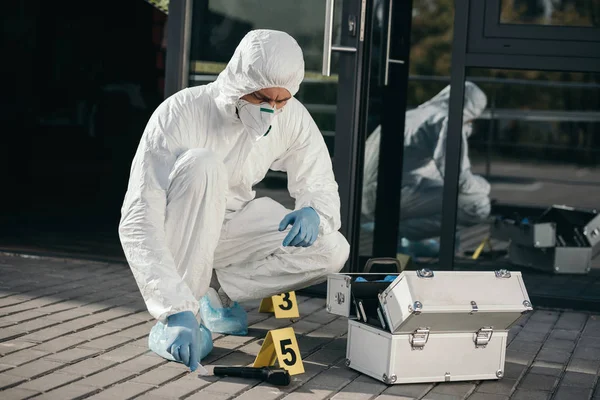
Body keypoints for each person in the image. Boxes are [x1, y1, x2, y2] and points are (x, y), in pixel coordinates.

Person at [118, 29, 350, 372]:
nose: (272, 111)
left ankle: (215, 294)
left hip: (233, 227)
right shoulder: (181, 112)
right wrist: (171, 305)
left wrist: (314, 210)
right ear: (241, 82)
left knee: (332, 248)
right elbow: (139, 216)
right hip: (181, 227)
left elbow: (318, 178)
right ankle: (180, 316)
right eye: (262, 99)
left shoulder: (292, 115)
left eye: (281, 101)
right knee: (203, 164)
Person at [362, 81, 491, 257]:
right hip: (385, 198)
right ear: (471, 109)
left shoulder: (413, 114)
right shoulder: (446, 121)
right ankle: (395, 231)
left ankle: (409, 238)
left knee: (439, 179)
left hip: (368, 194)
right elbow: (458, 178)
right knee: (477, 204)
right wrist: (484, 185)